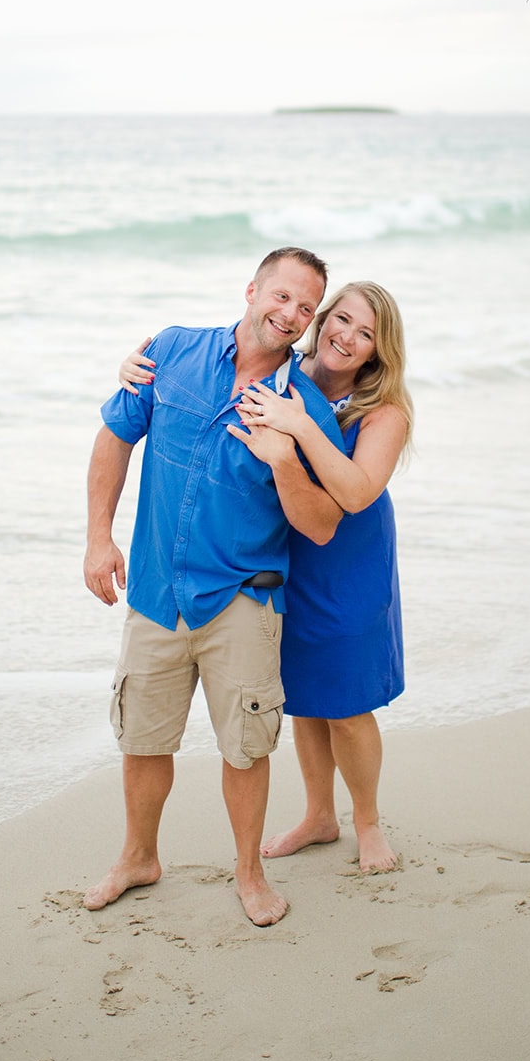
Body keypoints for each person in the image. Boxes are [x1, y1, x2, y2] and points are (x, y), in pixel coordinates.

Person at [83, 248, 344, 928]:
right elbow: (114, 436)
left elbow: (320, 525)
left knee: (245, 748)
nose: (289, 314)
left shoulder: (303, 406)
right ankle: (138, 857)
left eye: (305, 308)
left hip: (244, 604)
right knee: (143, 739)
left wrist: (284, 458)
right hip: (155, 593)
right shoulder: (169, 351)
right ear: (252, 289)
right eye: (281, 296)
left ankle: (249, 874)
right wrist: (97, 537)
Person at [121, 280, 412, 875]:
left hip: (346, 559)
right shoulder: (286, 371)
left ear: (380, 351)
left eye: (366, 334)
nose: (348, 337)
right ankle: (317, 815)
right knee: (303, 694)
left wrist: (300, 428)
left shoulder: (383, 411)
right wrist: (135, 366)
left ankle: (368, 822)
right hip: (283, 554)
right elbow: (216, 365)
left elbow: (354, 495)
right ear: (321, 319)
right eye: (342, 320)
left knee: (349, 699)